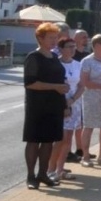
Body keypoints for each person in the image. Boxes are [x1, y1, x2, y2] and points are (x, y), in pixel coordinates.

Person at [23, 23, 69, 189]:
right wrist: (55, 87)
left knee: (49, 141)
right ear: (40, 38)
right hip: (37, 105)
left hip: (54, 104)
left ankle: (43, 174)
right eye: (50, 38)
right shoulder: (33, 57)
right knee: (34, 141)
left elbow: (59, 80)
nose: (54, 41)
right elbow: (30, 83)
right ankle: (30, 176)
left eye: (56, 38)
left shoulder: (54, 57)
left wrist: (64, 95)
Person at [77, 35, 101, 166]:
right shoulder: (87, 61)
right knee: (89, 126)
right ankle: (86, 157)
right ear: (96, 45)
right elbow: (84, 81)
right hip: (92, 98)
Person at [49, 35, 82, 184]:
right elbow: (55, 87)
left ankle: (60, 169)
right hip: (59, 104)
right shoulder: (56, 64)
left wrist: (73, 100)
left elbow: (82, 85)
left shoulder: (77, 65)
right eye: (69, 47)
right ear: (61, 49)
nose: (72, 49)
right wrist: (64, 104)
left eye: (74, 47)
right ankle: (50, 169)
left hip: (74, 103)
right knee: (59, 139)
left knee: (68, 139)